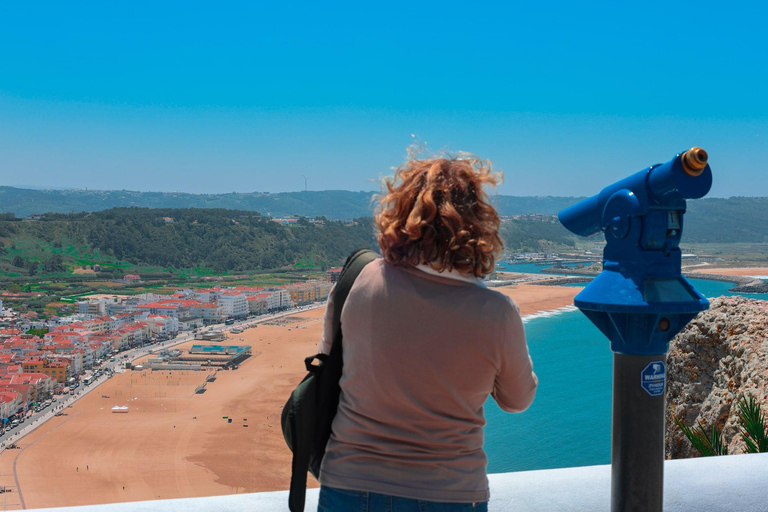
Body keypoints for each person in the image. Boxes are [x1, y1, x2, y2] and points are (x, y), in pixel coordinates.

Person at [316, 154, 538, 511]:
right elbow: (518, 401)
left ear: (402, 212)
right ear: (478, 224)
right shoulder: (497, 313)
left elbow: (330, 361)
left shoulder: (361, 279)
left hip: (350, 484)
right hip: (450, 493)